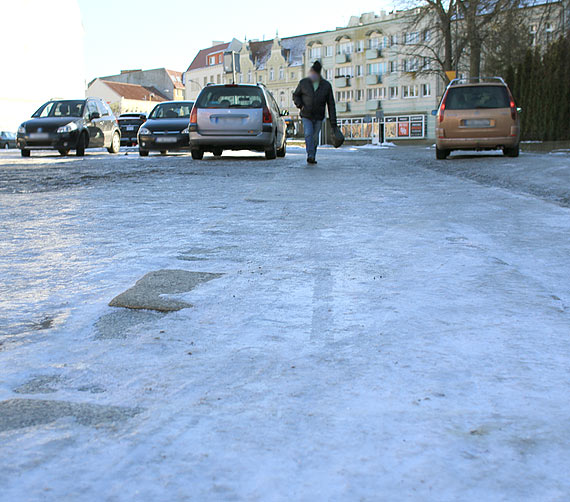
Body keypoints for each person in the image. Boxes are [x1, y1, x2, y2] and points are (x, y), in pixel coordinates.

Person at [293, 61, 338, 164]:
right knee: (308, 134)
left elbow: (331, 104)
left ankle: (312, 154)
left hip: (318, 116)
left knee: (315, 137)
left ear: (318, 73)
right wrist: (300, 105)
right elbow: (296, 95)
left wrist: (333, 123)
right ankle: (311, 155)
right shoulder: (304, 83)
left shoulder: (326, 86)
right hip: (306, 114)